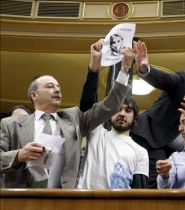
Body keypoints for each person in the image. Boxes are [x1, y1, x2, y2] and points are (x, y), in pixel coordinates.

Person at [0, 40, 131, 188]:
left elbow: (110, 106)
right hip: (22, 201)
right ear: (34, 95)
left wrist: (124, 69)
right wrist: (19, 155)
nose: (57, 90)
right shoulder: (11, 124)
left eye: (58, 87)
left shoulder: (75, 118)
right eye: (50, 86)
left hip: (64, 199)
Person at [130, 41, 185, 188]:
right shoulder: (184, 81)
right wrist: (145, 69)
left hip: (172, 148)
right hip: (150, 135)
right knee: (155, 183)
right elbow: (165, 80)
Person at [77, 45, 149, 189]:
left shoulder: (140, 151)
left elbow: (140, 192)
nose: (122, 114)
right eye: (118, 110)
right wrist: (94, 64)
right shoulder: (96, 132)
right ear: (109, 114)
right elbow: (87, 105)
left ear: (134, 118)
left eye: (128, 111)